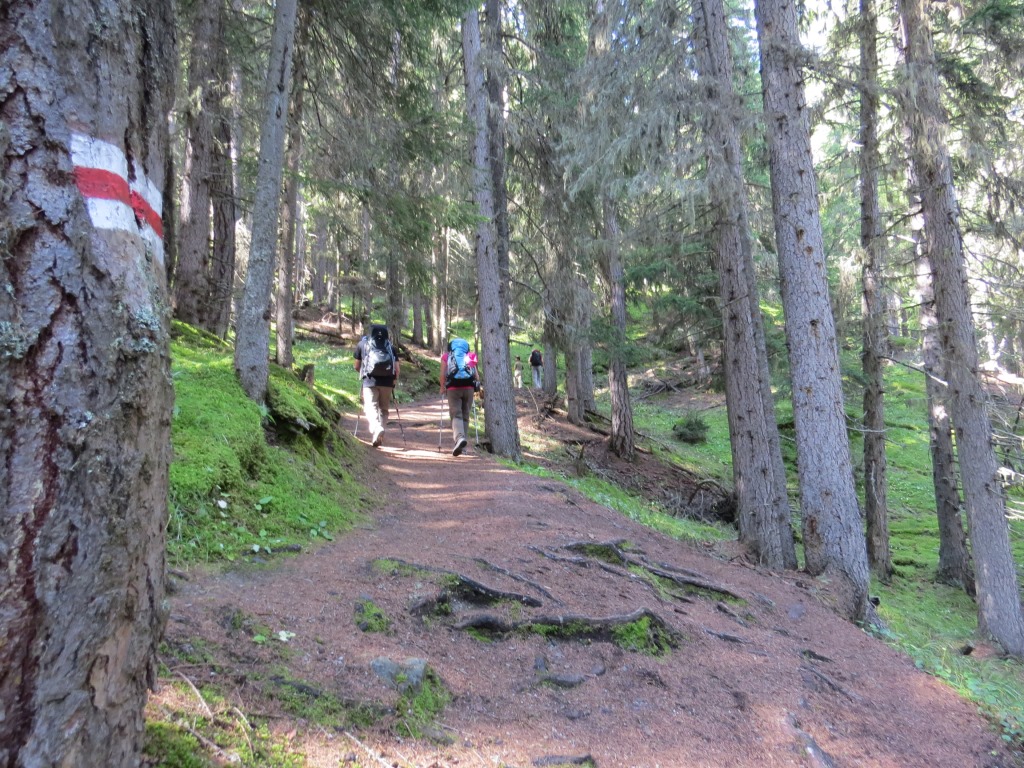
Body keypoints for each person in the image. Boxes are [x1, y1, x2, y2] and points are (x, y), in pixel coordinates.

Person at [353, 324, 399, 448]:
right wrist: (394, 381)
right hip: (387, 382)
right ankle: (378, 435)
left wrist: (363, 373)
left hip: (369, 381)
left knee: (370, 407)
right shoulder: (391, 347)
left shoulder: (363, 345)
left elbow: (357, 366)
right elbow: (397, 369)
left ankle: (376, 427)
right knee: (383, 410)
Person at [441, 338, 478, 456]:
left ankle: (459, 438)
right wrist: (477, 387)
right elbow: (476, 376)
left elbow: (442, 374)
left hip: (453, 388)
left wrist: (442, 387)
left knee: (456, 414)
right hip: (469, 388)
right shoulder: (469, 356)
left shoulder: (446, 356)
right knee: (465, 415)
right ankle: (463, 447)